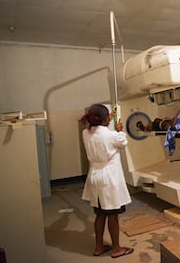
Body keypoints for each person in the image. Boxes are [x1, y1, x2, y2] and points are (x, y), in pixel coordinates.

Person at [79, 104, 134, 258]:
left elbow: (102, 134)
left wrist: (113, 127)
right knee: (113, 215)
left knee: (100, 214)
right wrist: (120, 129)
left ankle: (98, 247)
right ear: (105, 119)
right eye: (109, 115)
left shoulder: (85, 133)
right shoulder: (111, 135)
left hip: (95, 176)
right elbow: (122, 142)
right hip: (109, 179)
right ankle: (116, 249)